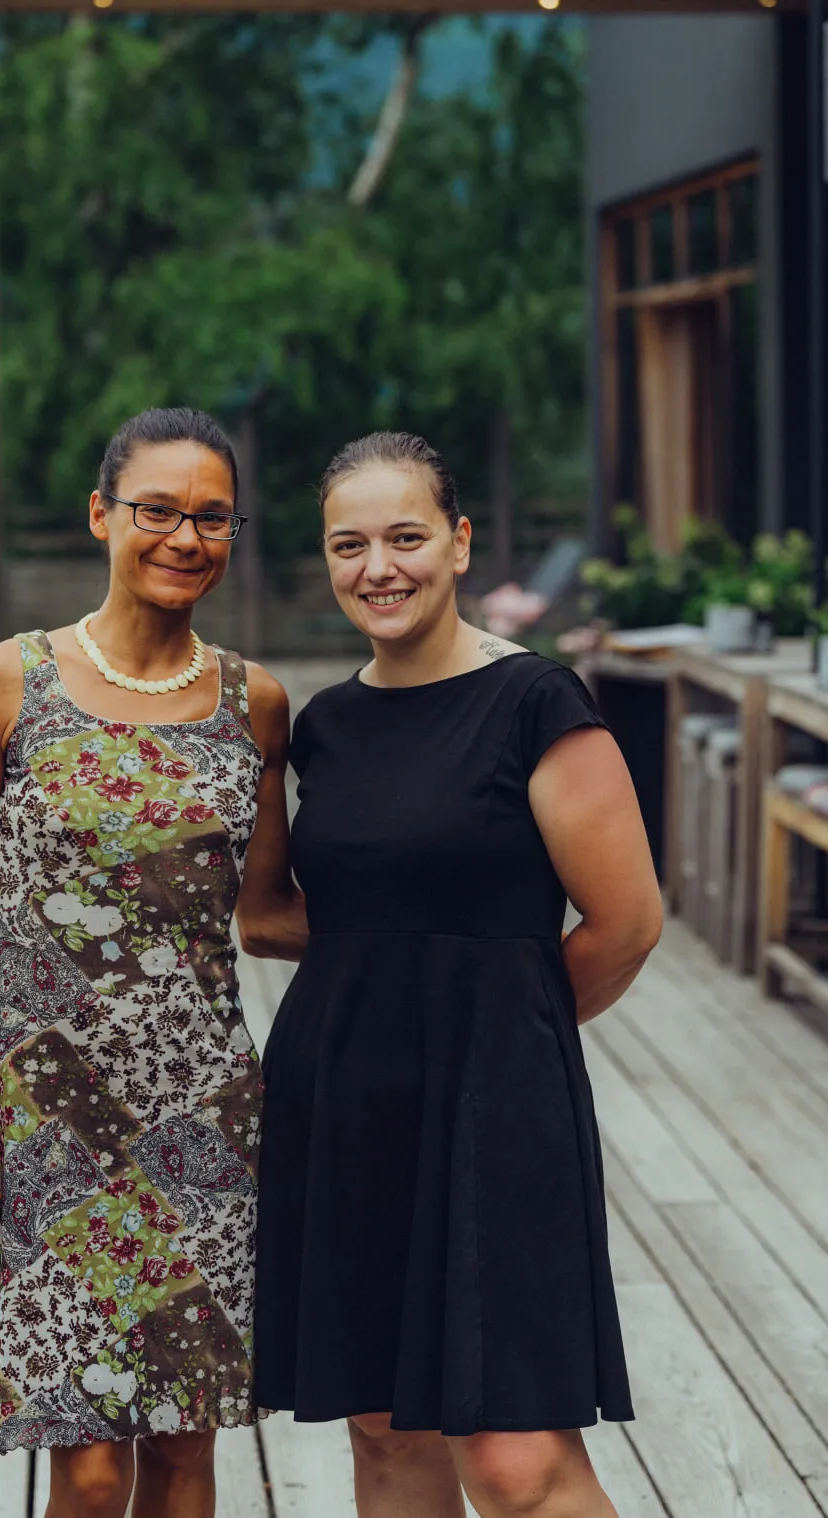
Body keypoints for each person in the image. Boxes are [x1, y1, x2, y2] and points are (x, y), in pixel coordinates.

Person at [247, 431, 663, 1518]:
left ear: (460, 542)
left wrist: (504, 1044)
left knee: (518, 1463)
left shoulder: (537, 703)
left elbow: (625, 922)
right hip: (343, 1104)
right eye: (350, 545)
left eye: (405, 537)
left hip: (498, 1109)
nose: (377, 568)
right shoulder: (325, 726)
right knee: (386, 1434)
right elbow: (319, 916)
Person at [0, 407, 301, 1518]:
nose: (185, 537)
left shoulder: (255, 704)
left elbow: (270, 914)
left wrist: (465, 917)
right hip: (47, 1118)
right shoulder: (8, 681)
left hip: (200, 1111)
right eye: (158, 511)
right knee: (86, 1469)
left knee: (186, 1448)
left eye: (212, 517)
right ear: (103, 515)